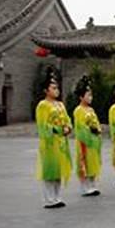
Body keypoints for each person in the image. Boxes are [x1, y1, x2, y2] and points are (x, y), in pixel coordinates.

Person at [35, 67, 72, 208]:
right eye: (53, 87)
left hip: (61, 142)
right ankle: (49, 199)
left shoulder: (60, 104)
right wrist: (57, 129)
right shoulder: (42, 105)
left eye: (57, 87)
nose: (57, 90)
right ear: (46, 90)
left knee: (58, 170)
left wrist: (68, 127)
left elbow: (67, 119)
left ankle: (57, 197)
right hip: (49, 142)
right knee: (49, 171)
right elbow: (43, 126)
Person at [73, 75, 102, 197]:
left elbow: (97, 123)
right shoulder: (79, 110)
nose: (91, 98)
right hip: (85, 141)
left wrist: (97, 129)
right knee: (84, 162)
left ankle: (93, 185)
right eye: (88, 95)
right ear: (81, 96)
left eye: (91, 95)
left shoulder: (91, 110)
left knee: (93, 162)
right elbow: (80, 126)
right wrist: (90, 130)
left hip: (94, 140)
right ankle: (85, 187)